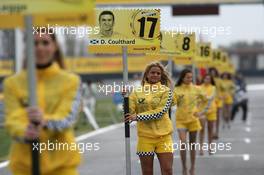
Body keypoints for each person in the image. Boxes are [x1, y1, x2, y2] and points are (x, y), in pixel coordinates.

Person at [3, 28, 82, 175]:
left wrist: (43, 122)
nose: (40, 47)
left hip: (62, 167)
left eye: (45, 42)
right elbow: (12, 120)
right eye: (35, 43)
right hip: (25, 167)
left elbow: (67, 118)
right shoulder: (12, 83)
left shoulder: (71, 81)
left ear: (54, 46)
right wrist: (24, 131)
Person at [125, 62, 174, 175]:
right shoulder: (137, 92)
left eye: (158, 73)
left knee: (168, 170)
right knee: (147, 172)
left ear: (161, 76)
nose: (155, 75)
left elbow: (160, 112)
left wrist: (137, 117)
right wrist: (125, 97)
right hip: (145, 138)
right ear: (147, 74)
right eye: (152, 72)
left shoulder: (166, 91)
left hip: (164, 137)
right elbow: (129, 113)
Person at [172, 69, 207, 175]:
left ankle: (192, 168)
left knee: (192, 145)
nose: (189, 79)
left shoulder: (197, 88)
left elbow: (205, 100)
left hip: (193, 120)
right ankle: (184, 168)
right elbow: (172, 102)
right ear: (182, 77)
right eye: (187, 77)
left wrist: (200, 112)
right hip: (181, 120)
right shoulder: (177, 89)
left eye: (191, 77)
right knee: (183, 143)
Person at [198, 74, 217, 155]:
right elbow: (198, 99)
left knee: (210, 130)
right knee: (202, 130)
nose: (207, 80)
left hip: (212, 110)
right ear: (203, 79)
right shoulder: (199, 88)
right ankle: (201, 148)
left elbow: (210, 97)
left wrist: (204, 97)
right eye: (206, 78)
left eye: (209, 79)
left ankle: (210, 147)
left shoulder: (213, 88)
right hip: (202, 111)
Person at [208, 67, 223, 140]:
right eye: (211, 72)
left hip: (218, 99)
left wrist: (222, 95)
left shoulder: (219, 80)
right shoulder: (208, 80)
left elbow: (223, 89)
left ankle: (217, 132)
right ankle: (213, 132)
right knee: (212, 118)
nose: (212, 73)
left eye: (214, 72)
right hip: (211, 100)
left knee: (217, 117)